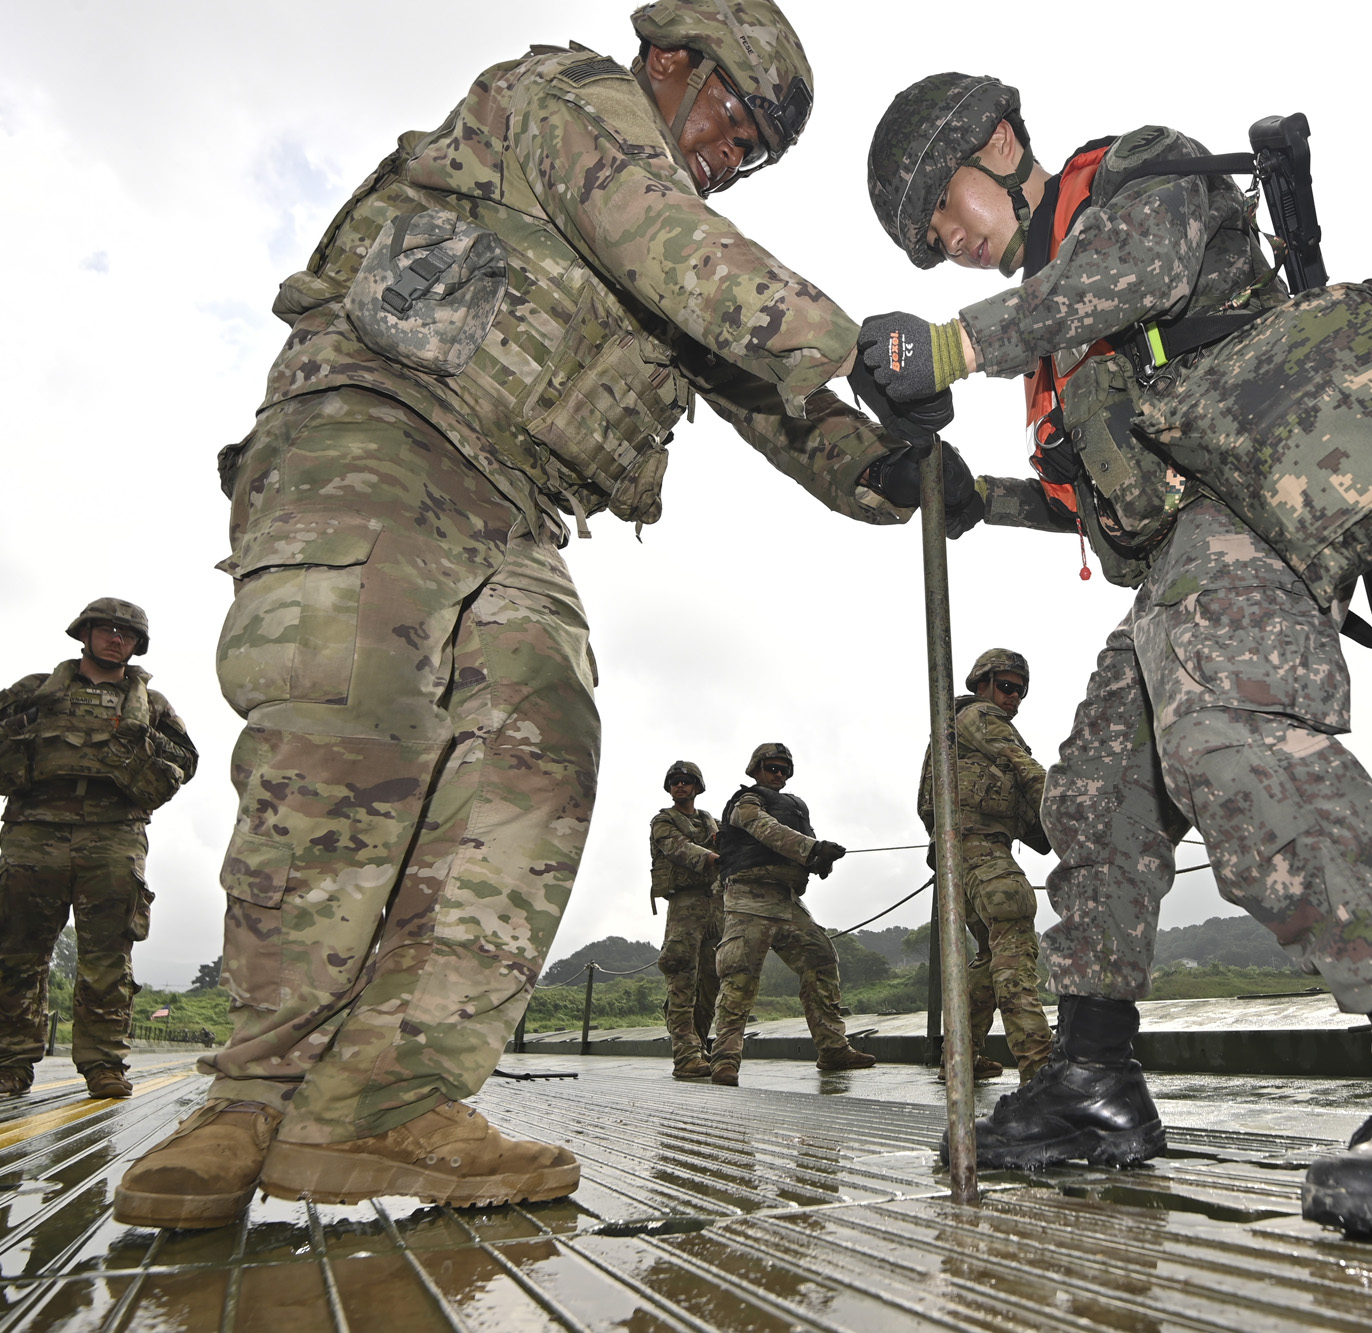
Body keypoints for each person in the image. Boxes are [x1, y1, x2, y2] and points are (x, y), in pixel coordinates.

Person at [113, 0, 980, 1232]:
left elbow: (780, 406)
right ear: (672, 62)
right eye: (737, 119)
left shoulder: (686, 244)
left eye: (758, 153)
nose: (734, 158)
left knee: (539, 742)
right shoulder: (566, 100)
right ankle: (250, 1096)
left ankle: (380, 1103)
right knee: (351, 732)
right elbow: (677, 250)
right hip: (380, 423)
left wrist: (924, 481)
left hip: (515, 504)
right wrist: (869, 340)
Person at [855, 74, 1372, 1243]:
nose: (948, 240)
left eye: (942, 208)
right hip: (1174, 554)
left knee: (1225, 736)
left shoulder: (1133, 178)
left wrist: (946, 346)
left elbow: (1140, 275)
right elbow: (1108, 505)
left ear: (994, 143)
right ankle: (1092, 1081)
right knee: (1092, 793)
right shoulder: (1054, 334)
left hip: (1247, 516)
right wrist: (978, 496)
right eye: (930, 242)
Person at [0, 598, 197, 1103]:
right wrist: (31, 732)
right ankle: (9, 1068)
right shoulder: (35, 691)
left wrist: (138, 744)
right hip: (34, 830)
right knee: (19, 953)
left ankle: (105, 1067)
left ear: (137, 645)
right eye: (106, 629)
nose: (116, 638)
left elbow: (187, 761)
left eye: (126, 634)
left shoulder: (151, 705)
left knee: (108, 958)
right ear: (84, 634)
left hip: (113, 835)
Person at [918, 649, 1052, 1083]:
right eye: (1007, 686)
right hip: (980, 850)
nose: (1014, 698)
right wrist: (1073, 815)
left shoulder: (955, 731)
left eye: (1021, 691)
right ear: (982, 683)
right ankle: (1041, 1069)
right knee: (1015, 945)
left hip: (956, 858)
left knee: (990, 956)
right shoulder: (981, 717)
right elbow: (1026, 769)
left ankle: (960, 1057)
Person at [707, 743, 874, 1086]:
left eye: (784, 769)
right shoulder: (747, 801)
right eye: (772, 768)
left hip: (787, 900)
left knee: (821, 959)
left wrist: (817, 861)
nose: (778, 774)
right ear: (755, 769)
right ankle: (724, 1060)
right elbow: (762, 827)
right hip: (748, 899)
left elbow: (798, 844)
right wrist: (812, 849)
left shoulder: (796, 807)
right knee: (739, 978)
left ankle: (832, 1048)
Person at [650, 760, 722, 1078]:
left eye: (686, 781)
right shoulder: (663, 821)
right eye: (675, 781)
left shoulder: (711, 822)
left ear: (696, 786)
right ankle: (685, 1055)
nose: (680, 785)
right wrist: (711, 856)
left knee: (712, 982)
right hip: (684, 908)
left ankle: (700, 1048)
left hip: (715, 908)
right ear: (670, 787)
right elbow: (679, 849)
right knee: (682, 981)